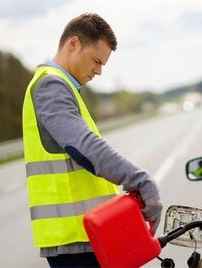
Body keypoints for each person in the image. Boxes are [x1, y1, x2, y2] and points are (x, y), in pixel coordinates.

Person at [22, 13, 162, 267]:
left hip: (89, 235)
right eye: (96, 61)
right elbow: (83, 146)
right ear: (73, 44)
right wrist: (139, 180)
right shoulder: (51, 86)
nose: (99, 71)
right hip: (74, 242)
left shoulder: (64, 86)